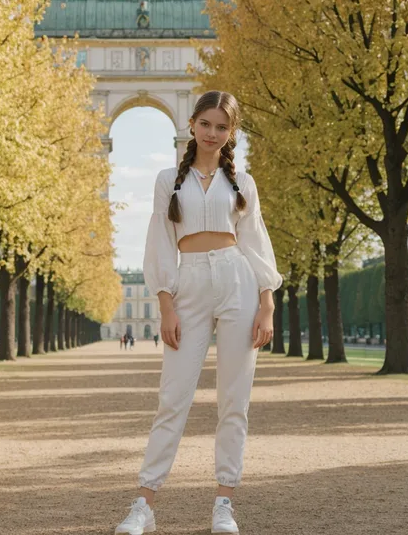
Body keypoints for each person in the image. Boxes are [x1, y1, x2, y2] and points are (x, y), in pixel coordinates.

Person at [115, 91, 283, 535]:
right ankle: (144, 504)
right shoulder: (168, 179)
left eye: (222, 127)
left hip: (238, 283)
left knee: (234, 401)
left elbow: (255, 241)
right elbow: (159, 244)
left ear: (232, 134)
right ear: (192, 125)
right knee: (172, 399)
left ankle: (224, 503)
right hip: (186, 285)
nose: (213, 133)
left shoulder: (242, 183)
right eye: (206, 124)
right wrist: (165, 303)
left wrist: (267, 302)